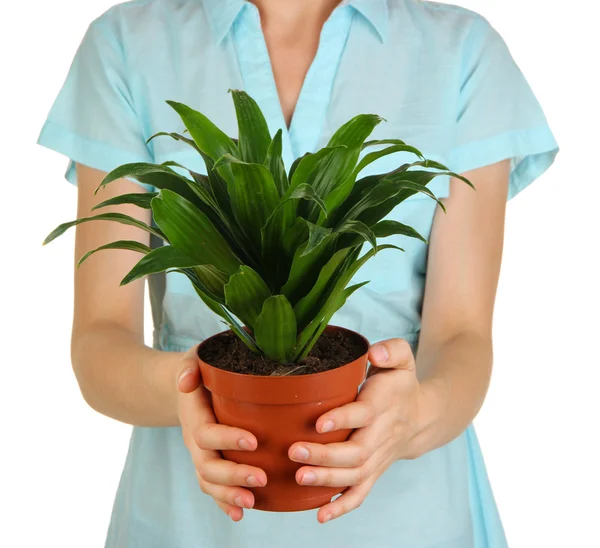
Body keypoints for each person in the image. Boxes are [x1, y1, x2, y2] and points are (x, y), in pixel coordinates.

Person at [37, 0, 558, 546]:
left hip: (409, 516)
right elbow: (99, 340)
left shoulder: (462, 49)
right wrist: (184, 392)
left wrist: (416, 413)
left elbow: (463, 336)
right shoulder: (127, 41)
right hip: (193, 515)